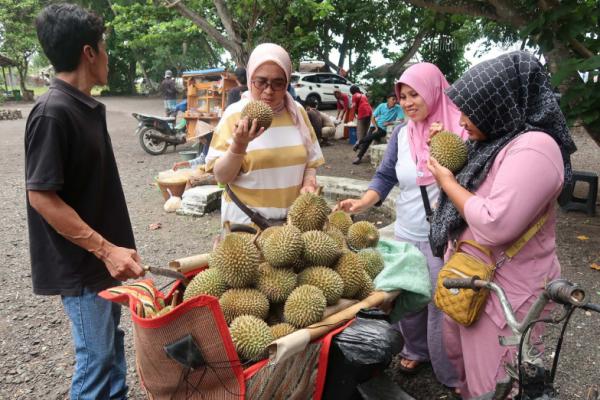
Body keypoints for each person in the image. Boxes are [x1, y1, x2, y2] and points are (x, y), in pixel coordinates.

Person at [427, 51, 576, 398]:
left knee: (498, 380)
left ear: (502, 103)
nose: (462, 120)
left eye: (471, 110)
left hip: (507, 293)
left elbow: (495, 224)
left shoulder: (535, 148)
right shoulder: (495, 139)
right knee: (466, 368)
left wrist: (448, 183)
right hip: (472, 275)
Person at [26, 4, 145, 399]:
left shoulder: (83, 107)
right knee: (95, 364)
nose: (108, 55)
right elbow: (42, 196)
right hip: (82, 268)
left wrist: (113, 253)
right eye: (104, 46)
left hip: (101, 265)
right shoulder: (53, 113)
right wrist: (105, 250)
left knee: (111, 357)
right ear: (88, 53)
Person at [336, 63, 466, 390]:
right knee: (409, 297)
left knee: (441, 305)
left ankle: (448, 368)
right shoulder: (401, 133)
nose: (408, 102)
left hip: (444, 236)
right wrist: (363, 202)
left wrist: (445, 149)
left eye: (415, 94)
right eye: (403, 95)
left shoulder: (460, 131)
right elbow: (386, 175)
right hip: (407, 231)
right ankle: (415, 349)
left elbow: (472, 180)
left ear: (435, 92)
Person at [205, 43, 324, 226]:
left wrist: (309, 182)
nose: (269, 91)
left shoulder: (297, 113)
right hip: (246, 225)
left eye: (278, 83)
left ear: (287, 83)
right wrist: (239, 145)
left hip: (291, 227)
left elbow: (311, 162)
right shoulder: (234, 115)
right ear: (250, 78)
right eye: (261, 82)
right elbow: (221, 177)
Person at [352, 93, 404, 164]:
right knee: (369, 139)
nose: (395, 101)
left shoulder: (398, 108)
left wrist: (390, 123)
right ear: (388, 99)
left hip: (384, 129)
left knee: (371, 136)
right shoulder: (382, 106)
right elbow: (373, 117)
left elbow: (401, 121)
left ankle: (359, 142)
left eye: (396, 100)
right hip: (375, 125)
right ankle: (359, 157)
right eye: (393, 99)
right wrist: (376, 127)